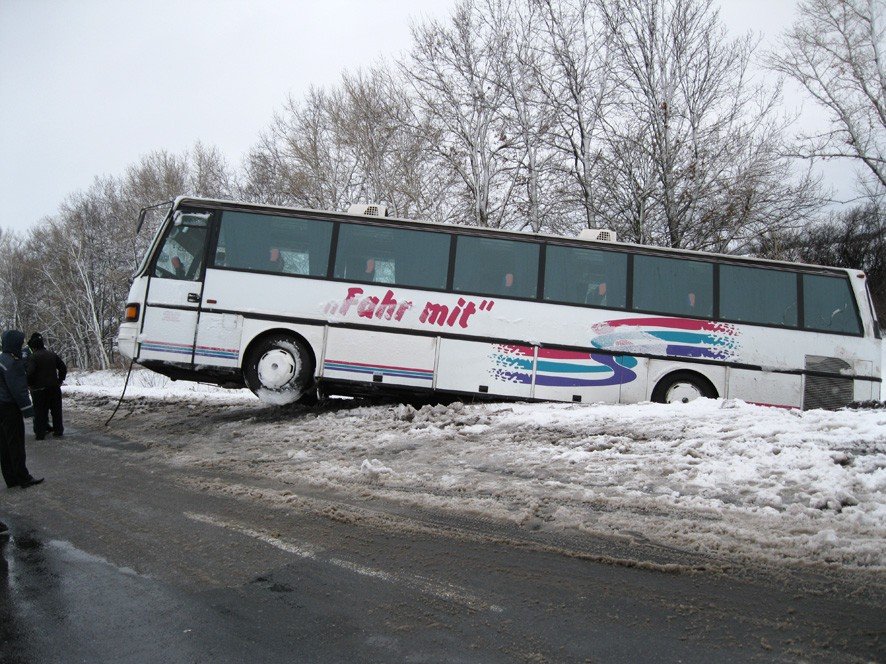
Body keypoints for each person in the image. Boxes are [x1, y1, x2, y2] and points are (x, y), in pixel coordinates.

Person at [0, 330, 42, 489]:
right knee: (16, 443)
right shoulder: (13, 362)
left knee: (4, 444)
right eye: (20, 342)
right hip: (10, 408)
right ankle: (23, 478)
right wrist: (29, 410)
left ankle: (10, 478)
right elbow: (19, 390)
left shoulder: (1, 359)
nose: (22, 345)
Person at [26, 332, 67, 440]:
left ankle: (40, 434)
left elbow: (30, 373)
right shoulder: (52, 354)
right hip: (54, 387)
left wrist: (29, 384)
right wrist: (60, 380)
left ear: (33, 347)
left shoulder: (33, 357)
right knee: (56, 411)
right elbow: (63, 367)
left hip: (39, 390)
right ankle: (58, 431)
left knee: (40, 412)